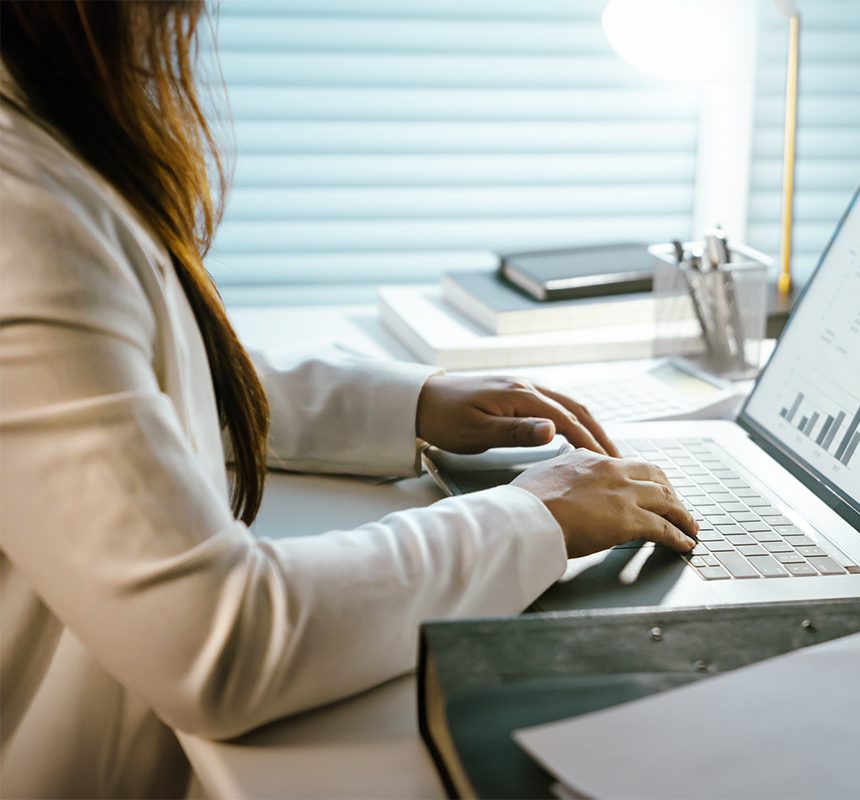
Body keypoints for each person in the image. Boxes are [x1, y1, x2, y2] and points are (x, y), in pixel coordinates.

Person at [0, 3, 697, 797]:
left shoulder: (40, 136)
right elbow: (218, 642)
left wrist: (409, 405)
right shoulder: (23, 212)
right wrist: (536, 516)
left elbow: (133, 371)